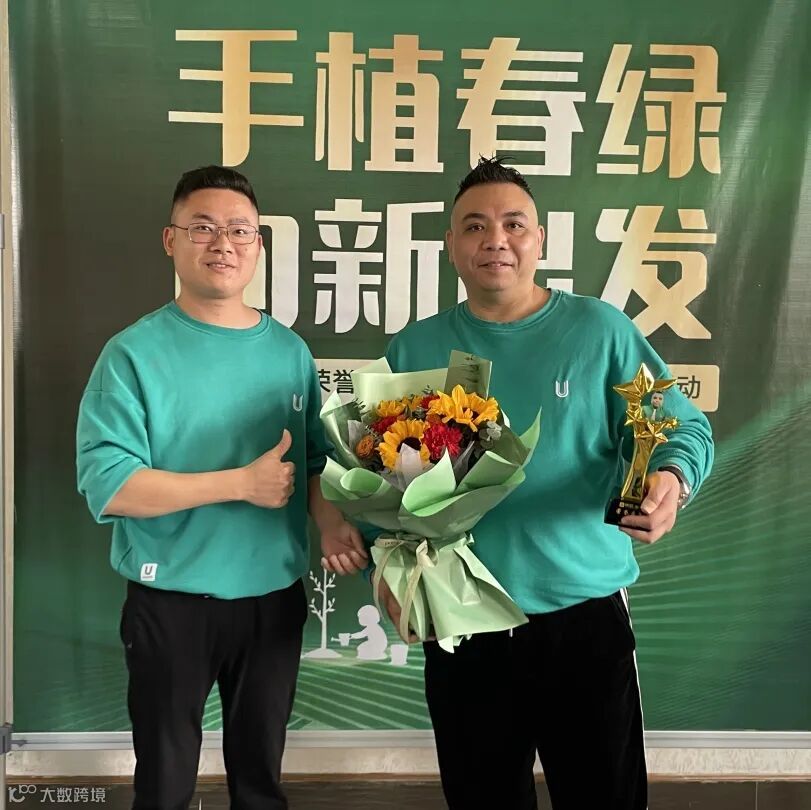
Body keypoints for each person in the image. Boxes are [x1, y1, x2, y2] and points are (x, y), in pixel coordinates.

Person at [325, 157, 714, 810]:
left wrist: (671, 478)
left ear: (540, 239)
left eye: (513, 224)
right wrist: (388, 565)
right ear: (451, 244)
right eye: (474, 226)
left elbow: (675, 425)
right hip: (461, 619)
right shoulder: (416, 349)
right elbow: (374, 476)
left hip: (582, 616)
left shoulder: (599, 330)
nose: (495, 240)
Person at [76, 165, 367, 810]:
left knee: (261, 777)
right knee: (165, 780)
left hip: (273, 598)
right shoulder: (132, 354)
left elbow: (312, 463)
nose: (223, 244)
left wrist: (329, 523)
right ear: (170, 240)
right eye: (202, 227)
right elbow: (111, 486)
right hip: (171, 600)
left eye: (240, 230)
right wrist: (239, 483)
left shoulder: (289, 351)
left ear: (258, 245)